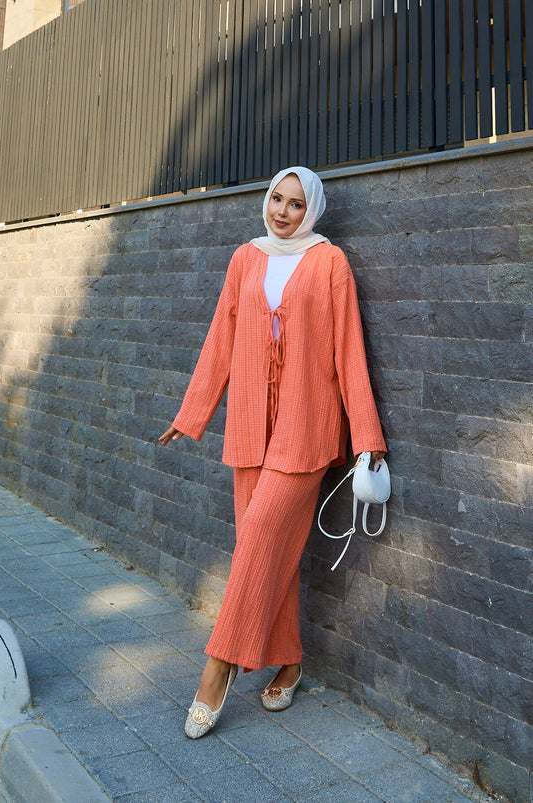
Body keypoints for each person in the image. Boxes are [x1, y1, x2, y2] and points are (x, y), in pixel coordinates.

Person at [159, 166, 387, 739]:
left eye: (293, 203)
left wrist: (367, 437)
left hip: (305, 429)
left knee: (257, 543)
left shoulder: (330, 262)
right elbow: (221, 340)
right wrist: (192, 415)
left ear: (311, 208)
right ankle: (289, 661)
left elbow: (348, 350)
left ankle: (216, 671)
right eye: (274, 199)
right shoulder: (245, 258)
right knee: (268, 557)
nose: (281, 212)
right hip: (248, 429)